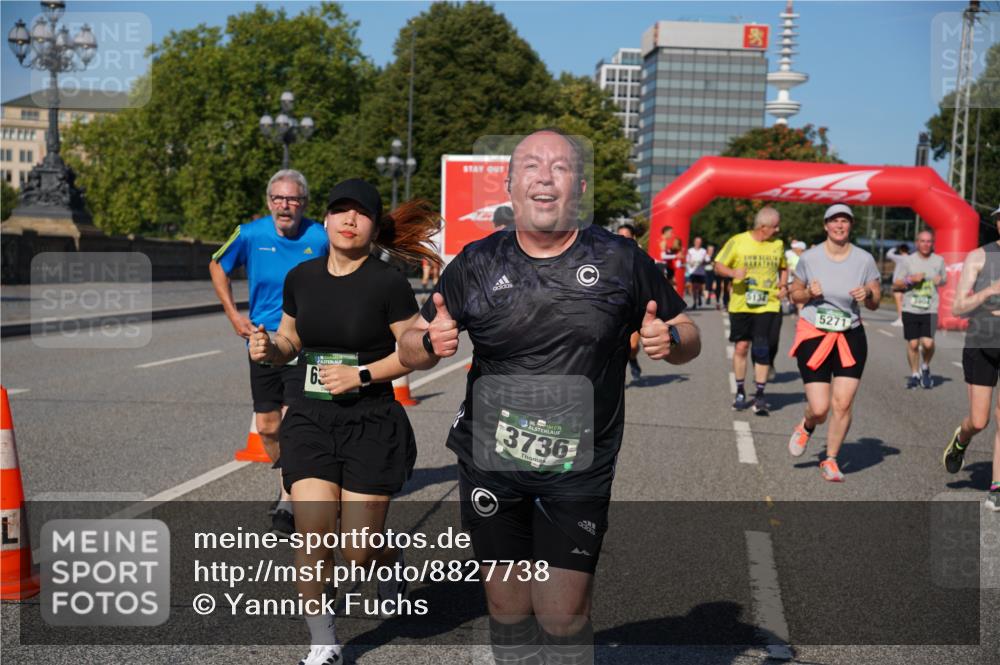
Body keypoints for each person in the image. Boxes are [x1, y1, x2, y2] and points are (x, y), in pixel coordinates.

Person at [399, 129, 700, 665]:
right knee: (508, 610)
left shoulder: (620, 260)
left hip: (578, 467)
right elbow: (409, 347)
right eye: (532, 167)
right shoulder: (475, 263)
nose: (544, 176)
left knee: (563, 615)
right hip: (491, 462)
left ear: (578, 187)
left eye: (559, 167)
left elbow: (687, 332)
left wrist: (670, 340)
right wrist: (428, 342)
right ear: (511, 187)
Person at [250, 178, 442, 665]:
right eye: (340, 210)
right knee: (312, 535)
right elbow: (292, 341)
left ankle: (388, 560)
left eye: (360, 213)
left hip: (371, 421)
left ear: (374, 226)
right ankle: (324, 640)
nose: (348, 219)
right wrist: (272, 348)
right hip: (310, 419)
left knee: (358, 550)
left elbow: (414, 354)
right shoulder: (302, 277)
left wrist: (361, 374)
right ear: (327, 219)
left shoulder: (387, 282)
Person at [209, 170, 329, 537]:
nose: (284, 205)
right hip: (262, 339)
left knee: (294, 420)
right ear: (268, 202)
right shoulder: (249, 233)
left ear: (304, 203)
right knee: (268, 426)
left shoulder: (321, 237)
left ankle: (287, 501)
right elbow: (217, 264)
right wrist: (233, 315)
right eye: (278, 198)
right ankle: (294, 478)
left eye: (292, 199)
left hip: (307, 341)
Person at [786, 204, 881, 482]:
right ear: (826, 225)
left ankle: (831, 459)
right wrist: (807, 292)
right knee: (820, 408)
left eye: (845, 221)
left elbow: (875, 299)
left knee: (842, 403)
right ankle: (806, 425)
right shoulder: (810, 258)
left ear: (851, 226)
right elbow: (794, 295)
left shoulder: (864, 260)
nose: (840, 226)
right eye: (835, 221)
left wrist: (868, 294)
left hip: (850, 334)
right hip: (814, 333)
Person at [943, 204, 1000, 512]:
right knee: (979, 420)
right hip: (982, 341)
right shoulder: (979, 256)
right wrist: (987, 292)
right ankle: (962, 439)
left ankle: (997, 487)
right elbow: (958, 307)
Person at [714, 207, 787, 415]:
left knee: (762, 347)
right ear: (763, 227)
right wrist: (732, 272)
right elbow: (718, 265)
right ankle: (739, 391)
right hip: (741, 303)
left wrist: (783, 286)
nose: (778, 229)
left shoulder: (778, 245)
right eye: (775, 226)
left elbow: (783, 267)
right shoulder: (738, 241)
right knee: (742, 347)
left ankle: (761, 395)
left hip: (768, 303)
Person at [893, 230, 947, 389]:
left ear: (933, 243)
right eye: (922, 241)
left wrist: (941, 280)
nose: (925, 244)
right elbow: (897, 283)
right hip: (910, 307)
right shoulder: (908, 261)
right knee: (913, 344)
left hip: (930, 308)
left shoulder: (939, 260)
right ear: (917, 243)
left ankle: (925, 366)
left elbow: (944, 280)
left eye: (929, 241)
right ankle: (915, 374)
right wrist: (911, 279)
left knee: (928, 343)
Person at [617, 223, 643, 381]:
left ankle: (632, 359)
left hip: (634, 306)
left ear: (633, 238)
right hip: (614, 306)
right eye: (619, 237)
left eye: (626, 237)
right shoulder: (606, 254)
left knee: (632, 346)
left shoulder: (639, 256)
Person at [886, 243, 910, 327]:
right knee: (904, 302)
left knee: (898, 301)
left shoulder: (900, 258)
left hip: (898, 282)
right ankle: (905, 318)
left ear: (900, 250)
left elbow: (889, 254)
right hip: (907, 282)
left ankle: (901, 319)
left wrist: (894, 248)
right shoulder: (911, 258)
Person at [685, 236, 708, 309]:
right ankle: (695, 302)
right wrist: (690, 263)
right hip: (693, 272)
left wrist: (704, 261)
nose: (698, 243)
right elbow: (687, 260)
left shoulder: (703, 251)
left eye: (699, 242)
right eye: (697, 242)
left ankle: (699, 296)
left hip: (701, 272)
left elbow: (707, 259)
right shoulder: (690, 250)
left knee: (700, 287)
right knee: (694, 287)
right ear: (694, 242)